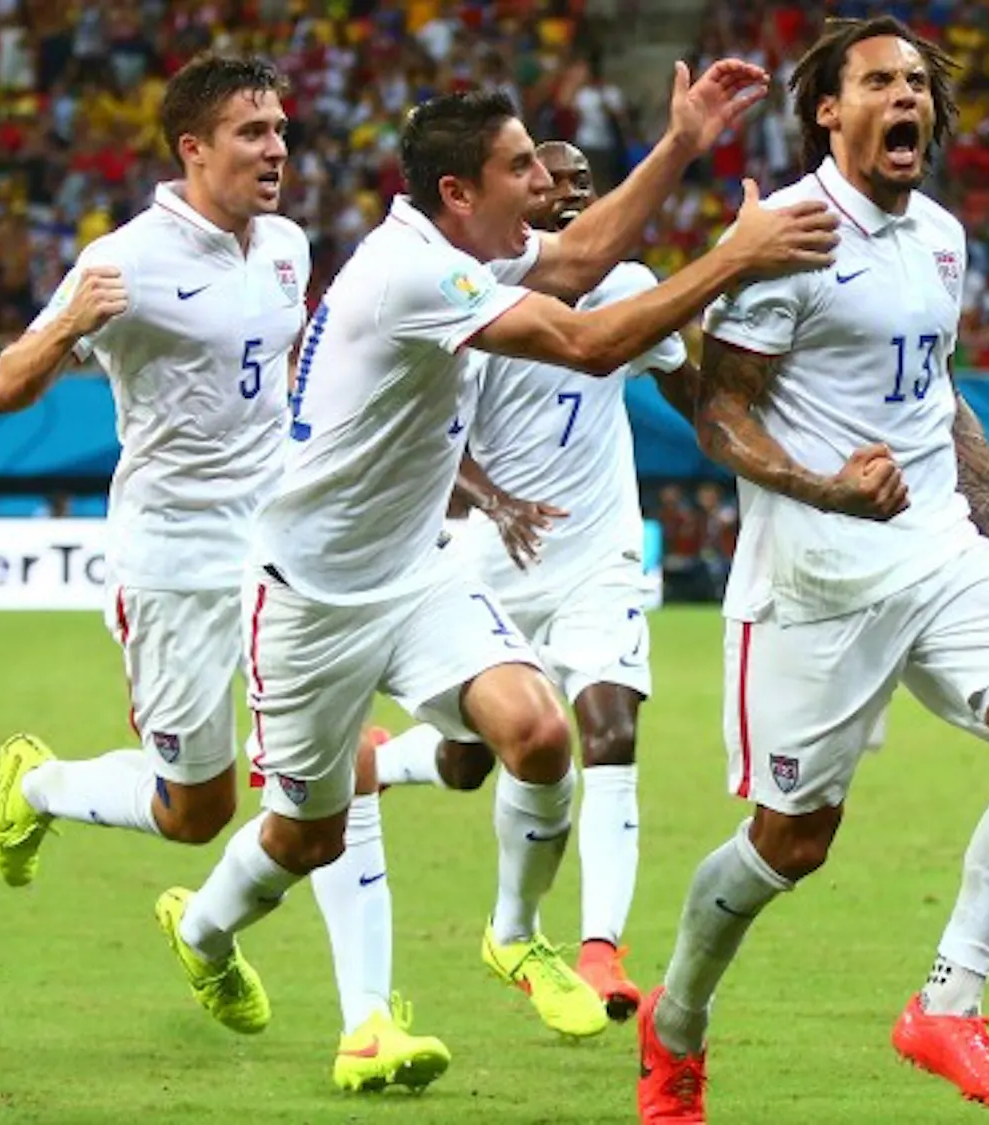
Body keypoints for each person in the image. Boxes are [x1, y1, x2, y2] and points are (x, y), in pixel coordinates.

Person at [152, 65, 841, 1055]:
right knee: (306, 835)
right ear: (458, 196)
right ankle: (205, 929)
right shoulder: (412, 274)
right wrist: (732, 257)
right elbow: (588, 339)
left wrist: (682, 140)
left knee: (539, 734)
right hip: (312, 601)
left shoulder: (456, 250)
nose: (542, 186)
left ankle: (515, 939)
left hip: (417, 572)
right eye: (521, 169)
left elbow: (584, 259)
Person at [636, 18, 989, 1121]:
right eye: (880, 84)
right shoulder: (791, 235)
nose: (907, 99)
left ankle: (948, 1003)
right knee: (792, 844)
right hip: (814, 583)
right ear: (830, 113)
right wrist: (828, 488)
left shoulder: (940, 234)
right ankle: (679, 1021)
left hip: (938, 549)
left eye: (918, 85)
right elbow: (721, 416)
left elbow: (934, 392)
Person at [0, 55, 450, 1094]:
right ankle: (43, 786)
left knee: (339, 767)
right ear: (192, 149)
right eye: (251, 132)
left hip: (284, 548)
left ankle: (369, 1020)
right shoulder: (124, 261)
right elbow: (7, 386)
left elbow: (286, 377)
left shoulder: (285, 247)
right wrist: (66, 324)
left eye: (280, 129)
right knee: (195, 809)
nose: (276, 149)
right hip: (173, 564)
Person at [372, 140, 698, 1023]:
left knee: (610, 725)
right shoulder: (479, 295)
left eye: (590, 186)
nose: (574, 196)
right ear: (524, 196)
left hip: (598, 558)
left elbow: (692, 390)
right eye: (555, 182)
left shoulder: (632, 290)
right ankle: (386, 762)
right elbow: (434, 434)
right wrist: (491, 497)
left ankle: (598, 949)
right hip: (491, 559)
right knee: (477, 755)